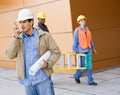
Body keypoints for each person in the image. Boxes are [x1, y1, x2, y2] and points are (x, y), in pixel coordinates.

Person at [6, 8, 61, 95]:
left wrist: (48, 63)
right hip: (28, 82)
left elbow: (56, 52)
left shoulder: (44, 36)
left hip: (43, 80)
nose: (21, 25)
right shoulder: (18, 38)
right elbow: (10, 55)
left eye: (24, 22)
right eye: (20, 22)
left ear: (31, 22)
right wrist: (15, 37)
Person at [72, 15, 97, 86]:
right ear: (79, 22)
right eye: (82, 20)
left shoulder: (87, 29)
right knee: (83, 66)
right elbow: (75, 41)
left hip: (88, 49)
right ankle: (76, 76)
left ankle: (90, 81)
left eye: (84, 20)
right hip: (81, 50)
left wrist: (93, 48)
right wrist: (74, 50)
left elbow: (90, 40)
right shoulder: (77, 30)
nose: (83, 21)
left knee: (89, 66)